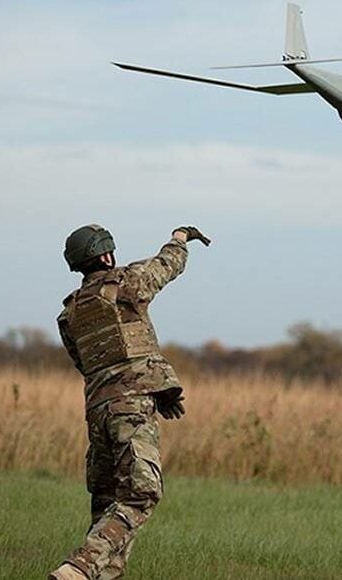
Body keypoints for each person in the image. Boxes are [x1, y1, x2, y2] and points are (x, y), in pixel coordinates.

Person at [49, 224, 210, 580]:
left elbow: (91, 365)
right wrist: (180, 238)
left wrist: (158, 388)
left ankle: (101, 572)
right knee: (141, 493)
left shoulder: (69, 314)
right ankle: (81, 566)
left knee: (109, 503)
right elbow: (167, 266)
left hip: (99, 413)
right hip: (131, 409)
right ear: (106, 254)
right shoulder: (126, 283)